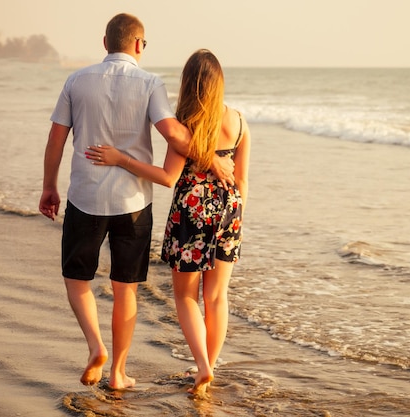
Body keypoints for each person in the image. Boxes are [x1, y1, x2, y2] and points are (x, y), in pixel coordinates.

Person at [39, 15, 234, 390]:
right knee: (125, 287)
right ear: (139, 45)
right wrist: (210, 157)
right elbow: (174, 134)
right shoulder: (149, 83)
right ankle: (119, 373)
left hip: (85, 197)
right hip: (133, 202)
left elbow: (56, 141)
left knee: (76, 278)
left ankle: (96, 346)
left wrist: (49, 186)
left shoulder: (76, 81)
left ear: (105, 42)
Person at [85, 49, 251, 396]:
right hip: (230, 209)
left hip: (192, 210)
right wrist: (236, 218)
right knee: (218, 296)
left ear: (188, 83)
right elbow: (243, 180)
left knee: (186, 296)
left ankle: (202, 366)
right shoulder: (238, 121)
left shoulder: (184, 125)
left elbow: (166, 177)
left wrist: (121, 159)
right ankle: (209, 366)